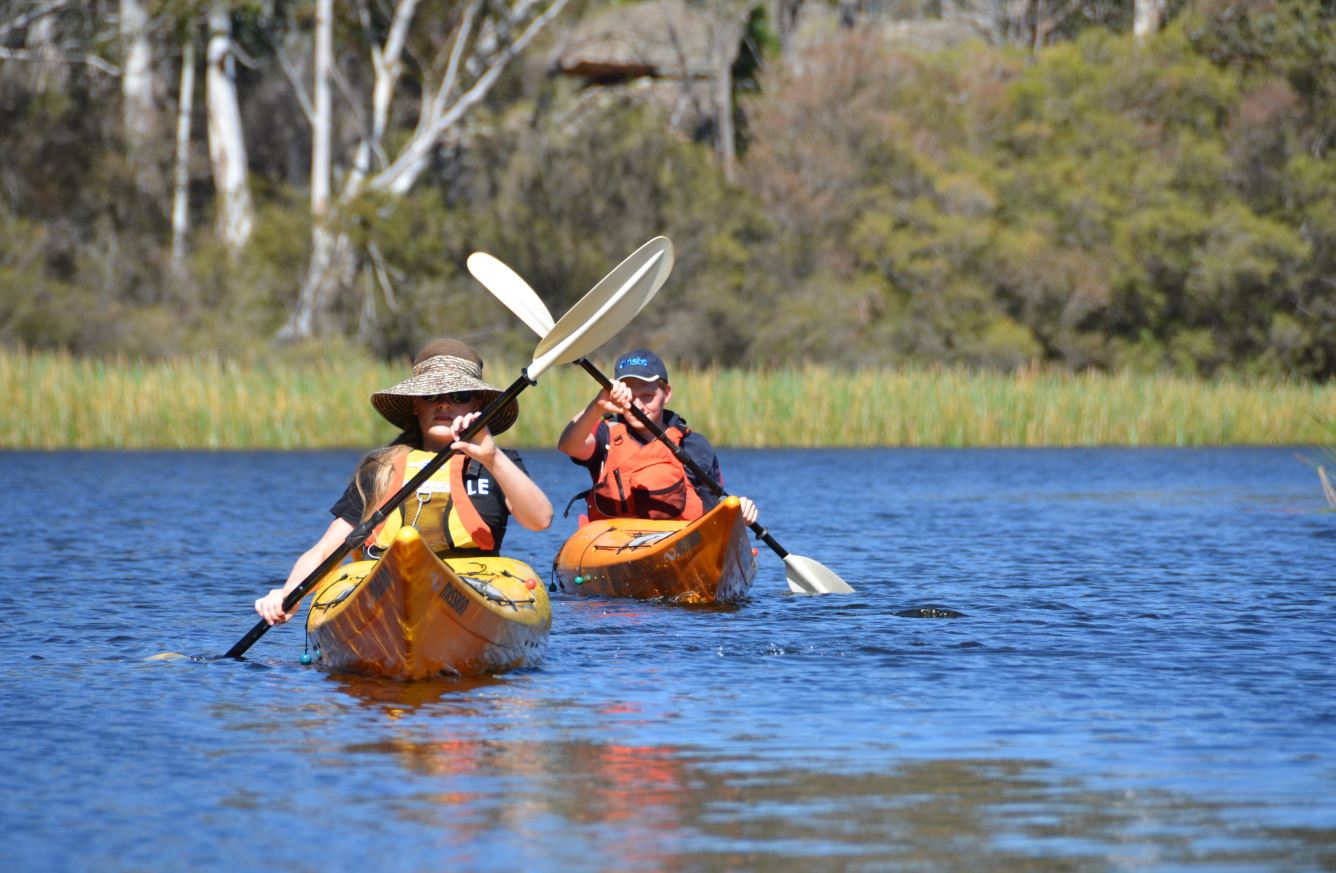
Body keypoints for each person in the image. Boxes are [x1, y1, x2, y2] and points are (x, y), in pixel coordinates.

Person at [256, 339, 553, 626]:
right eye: (431, 396)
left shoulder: (498, 463)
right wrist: (288, 593)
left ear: (478, 403)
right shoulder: (380, 470)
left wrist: (492, 457)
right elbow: (325, 551)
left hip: (471, 590)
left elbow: (540, 520)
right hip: (384, 593)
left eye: (459, 395)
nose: (444, 404)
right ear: (415, 405)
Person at [557, 349, 758, 525]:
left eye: (647, 396)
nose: (638, 406)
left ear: (666, 394)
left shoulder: (693, 445)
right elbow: (568, 446)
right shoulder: (605, 436)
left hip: (679, 544)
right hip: (614, 541)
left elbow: (714, 509)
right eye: (630, 397)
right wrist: (597, 406)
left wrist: (737, 511)